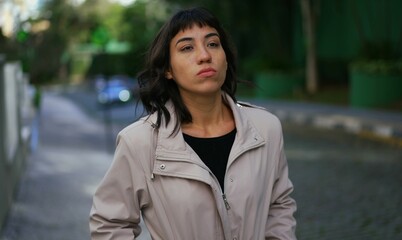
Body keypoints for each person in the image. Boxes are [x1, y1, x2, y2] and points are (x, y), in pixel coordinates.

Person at [90, 7, 297, 240]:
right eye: (187, 47)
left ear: (225, 58)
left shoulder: (266, 128)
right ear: (168, 70)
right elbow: (109, 224)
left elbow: (279, 204)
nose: (204, 55)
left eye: (213, 43)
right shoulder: (139, 142)